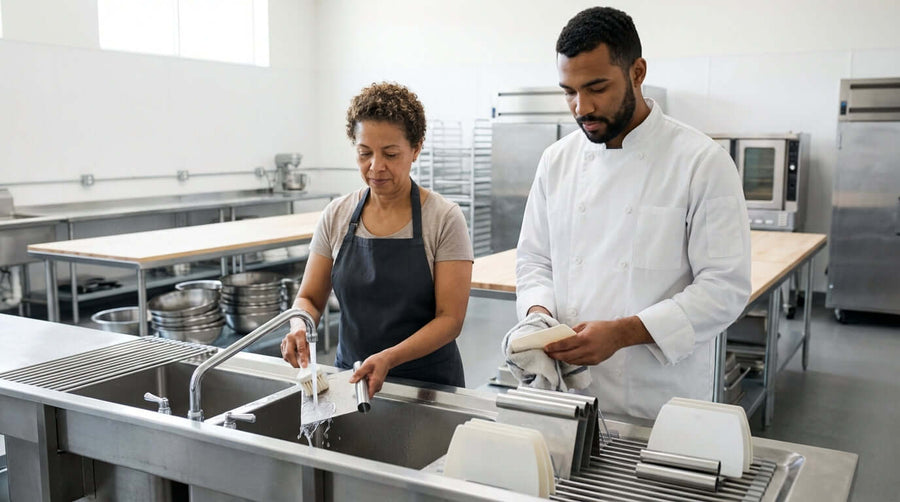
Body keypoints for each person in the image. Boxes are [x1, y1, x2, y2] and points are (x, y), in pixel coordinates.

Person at [514, 7, 752, 419]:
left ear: (637, 72)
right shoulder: (556, 161)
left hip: (658, 401)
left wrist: (623, 333)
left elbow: (724, 288)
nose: (580, 107)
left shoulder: (701, 162)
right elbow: (535, 259)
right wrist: (538, 315)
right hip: (567, 394)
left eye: (597, 87)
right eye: (569, 91)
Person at [280, 82, 474, 398]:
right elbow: (310, 299)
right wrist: (299, 326)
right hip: (352, 381)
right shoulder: (337, 215)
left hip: (428, 388)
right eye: (364, 153)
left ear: (416, 148)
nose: (376, 167)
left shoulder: (444, 218)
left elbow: (450, 319)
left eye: (391, 154)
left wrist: (389, 357)